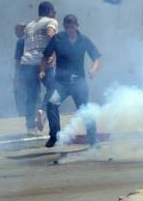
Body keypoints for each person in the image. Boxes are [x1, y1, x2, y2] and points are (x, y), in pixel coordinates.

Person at [41, 14, 101, 148]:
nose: (69, 29)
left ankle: (93, 140)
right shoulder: (57, 39)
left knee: (86, 109)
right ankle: (54, 136)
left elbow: (96, 58)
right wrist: (42, 70)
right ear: (64, 26)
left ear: (77, 26)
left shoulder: (84, 40)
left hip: (78, 82)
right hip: (61, 83)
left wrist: (93, 70)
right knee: (51, 104)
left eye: (72, 26)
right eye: (67, 26)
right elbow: (45, 56)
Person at [20, 1, 58, 136]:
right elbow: (51, 35)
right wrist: (54, 54)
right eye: (54, 11)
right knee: (54, 88)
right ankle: (42, 111)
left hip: (26, 63)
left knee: (31, 96)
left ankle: (30, 128)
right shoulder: (51, 21)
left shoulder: (30, 25)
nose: (55, 14)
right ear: (49, 11)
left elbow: (21, 39)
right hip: (43, 62)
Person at [13, 23, 27, 116]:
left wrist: (16, 76)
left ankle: (22, 115)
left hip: (23, 73)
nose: (15, 33)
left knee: (19, 94)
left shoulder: (21, 41)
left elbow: (18, 60)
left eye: (17, 30)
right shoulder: (32, 40)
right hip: (33, 72)